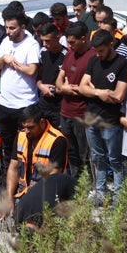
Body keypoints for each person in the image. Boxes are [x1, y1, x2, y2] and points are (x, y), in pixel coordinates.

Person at [2, 105, 73, 230]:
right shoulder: (21, 135)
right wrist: (9, 198)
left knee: (26, 225)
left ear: (41, 122)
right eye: (24, 127)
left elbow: (52, 180)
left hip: (44, 195)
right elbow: (13, 168)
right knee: (1, 220)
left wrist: (28, 203)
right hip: (22, 192)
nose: (27, 131)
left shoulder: (57, 140)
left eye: (30, 127)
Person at [79, 30, 127, 202]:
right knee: (97, 157)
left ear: (111, 45)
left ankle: (118, 194)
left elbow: (118, 95)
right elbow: (81, 87)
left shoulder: (122, 63)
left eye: (101, 50)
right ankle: (100, 191)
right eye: (96, 50)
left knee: (115, 159)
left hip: (110, 121)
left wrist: (91, 90)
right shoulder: (93, 60)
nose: (98, 54)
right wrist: (99, 92)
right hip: (91, 118)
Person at [0, 8, 41, 175]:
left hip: (24, 104)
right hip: (5, 104)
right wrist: (4, 58)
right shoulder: (5, 42)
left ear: (22, 27)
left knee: (26, 144)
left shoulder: (31, 44)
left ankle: (25, 177)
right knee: (7, 144)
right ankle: (8, 178)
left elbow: (31, 71)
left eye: (12, 28)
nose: (8, 32)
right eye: (6, 27)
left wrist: (14, 63)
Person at [56, 21, 95, 181]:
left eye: (73, 42)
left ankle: (86, 185)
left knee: (84, 153)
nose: (70, 46)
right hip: (65, 111)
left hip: (82, 113)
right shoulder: (69, 54)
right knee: (70, 152)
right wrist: (63, 88)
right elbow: (59, 79)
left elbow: (91, 86)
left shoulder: (92, 57)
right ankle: (73, 183)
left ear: (83, 39)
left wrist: (77, 89)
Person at [36, 23, 66, 129]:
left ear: (57, 37)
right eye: (42, 40)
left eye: (47, 40)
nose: (44, 44)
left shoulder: (66, 56)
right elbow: (38, 76)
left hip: (59, 107)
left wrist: (53, 91)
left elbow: (68, 85)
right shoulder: (42, 53)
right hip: (43, 105)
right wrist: (41, 86)